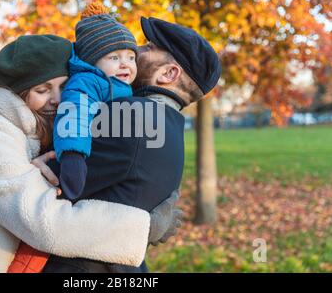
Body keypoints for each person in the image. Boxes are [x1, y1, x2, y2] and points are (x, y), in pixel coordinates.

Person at [0, 34, 182, 273]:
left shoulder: (36, 128)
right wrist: (143, 227)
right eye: (42, 89)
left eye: (64, 86)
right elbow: (43, 221)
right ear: (18, 92)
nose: (58, 99)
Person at [41, 16, 222, 272]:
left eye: (148, 48)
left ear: (169, 73)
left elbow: (49, 184)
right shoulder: (171, 125)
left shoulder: (132, 115)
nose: (136, 51)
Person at [53, 1, 139, 200]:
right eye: (114, 58)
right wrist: (73, 155)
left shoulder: (124, 86)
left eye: (131, 57)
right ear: (93, 61)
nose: (125, 64)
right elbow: (75, 111)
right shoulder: (87, 81)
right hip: (83, 157)